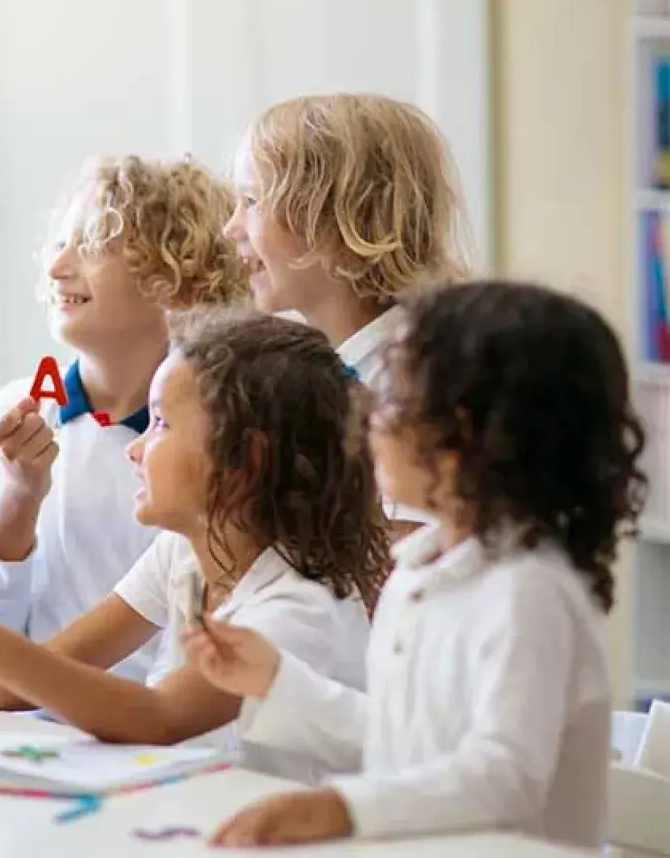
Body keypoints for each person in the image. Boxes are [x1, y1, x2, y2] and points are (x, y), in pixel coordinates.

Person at [0, 309, 390, 784]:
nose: (136, 445)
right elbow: (44, 675)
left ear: (245, 462)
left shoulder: (298, 610)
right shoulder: (182, 557)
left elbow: (157, 717)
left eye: (163, 426)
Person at [184, 281, 644, 849]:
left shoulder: (529, 592)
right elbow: (404, 744)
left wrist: (341, 807)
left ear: (470, 437)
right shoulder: (417, 574)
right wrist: (278, 681)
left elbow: (506, 776)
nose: (373, 418)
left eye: (398, 399)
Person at [0, 154, 247, 684]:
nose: (58, 267)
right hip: (23, 725)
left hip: (156, 735)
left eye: (91, 246)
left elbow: (195, 660)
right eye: (60, 244)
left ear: (175, 276)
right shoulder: (11, 417)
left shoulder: (221, 435)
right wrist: (17, 503)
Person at [223, 93, 467, 534]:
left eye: (252, 200)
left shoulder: (410, 389)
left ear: (338, 218)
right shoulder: (319, 372)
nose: (231, 226)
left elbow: (391, 574)